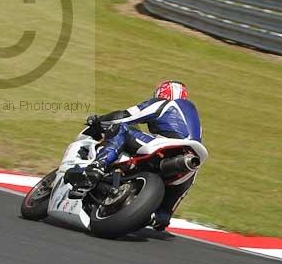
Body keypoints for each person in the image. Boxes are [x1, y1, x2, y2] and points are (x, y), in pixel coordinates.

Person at [79, 80, 202, 231]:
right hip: (189, 164)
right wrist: (163, 214)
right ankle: (160, 216)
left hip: (166, 147)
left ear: (161, 93)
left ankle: (97, 166)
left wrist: (99, 121)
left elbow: (126, 116)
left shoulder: (164, 104)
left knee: (122, 128)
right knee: (163, 215)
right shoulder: (195, 121)